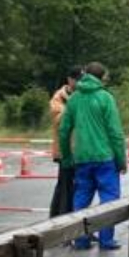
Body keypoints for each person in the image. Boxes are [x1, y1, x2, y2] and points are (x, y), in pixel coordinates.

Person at [59, 62, 128, 251]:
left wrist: (66, 156)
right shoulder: (105, 98)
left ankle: (81, 239)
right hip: (105, 157)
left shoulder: (74, 99)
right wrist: (121, 160)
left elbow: (64, 130)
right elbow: (115, 132)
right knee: (109, 198)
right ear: (102, 77)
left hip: (81, 157)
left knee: (81, 197)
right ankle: (106, 240)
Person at [48, 67, 83, 218]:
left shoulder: (82, 96)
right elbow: (58, 120)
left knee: (78, 187)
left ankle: (65, 218)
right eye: (78, 79)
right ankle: (60, 219)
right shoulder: (59, 98)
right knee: (65, 186)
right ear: (70, 80)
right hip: (64, 150)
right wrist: (73, 107)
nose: (80, 83)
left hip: (81, 150)